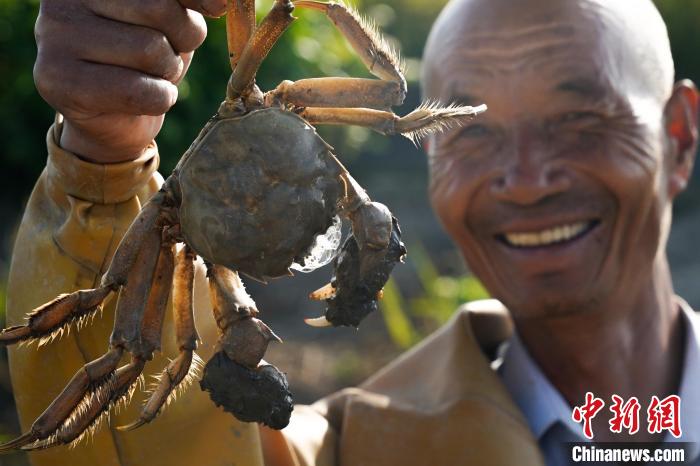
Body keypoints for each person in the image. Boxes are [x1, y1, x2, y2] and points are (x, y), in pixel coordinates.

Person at [4, 0, 698, 465]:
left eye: (582, 121)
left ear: (680, 135)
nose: (525, 177)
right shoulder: (348, 446)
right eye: (474, 130)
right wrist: (100, 157)